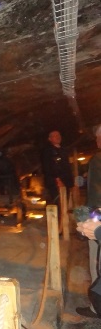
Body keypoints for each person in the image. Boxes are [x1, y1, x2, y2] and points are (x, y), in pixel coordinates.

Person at [76, 124, 101, 318]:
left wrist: (88, 218)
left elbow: (95, 194)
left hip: (98, 219)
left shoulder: (97, 160)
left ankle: (96, 307)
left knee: (96, 262)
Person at [41, 130, 74, 206]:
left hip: (65, 181)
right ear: (50, 139)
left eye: (58, 135)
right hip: (54, 183)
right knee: (57, 203)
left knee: (65, 203)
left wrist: (71, 182)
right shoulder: (47, 151)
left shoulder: (63, 150)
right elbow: (48, 168)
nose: (58, 137)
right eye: (55, 136)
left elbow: (67, 167)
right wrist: (57, 180)